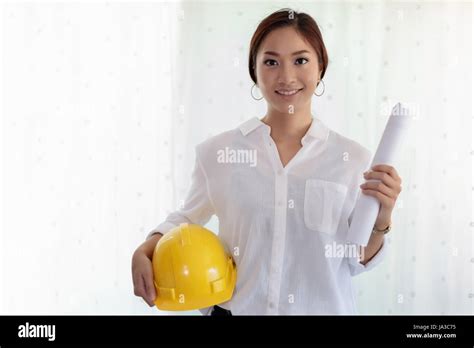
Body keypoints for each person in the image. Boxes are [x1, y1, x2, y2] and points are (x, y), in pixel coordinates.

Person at [131, 8, 402, 315]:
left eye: (300, 60)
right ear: (254, 70)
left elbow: (356, 259)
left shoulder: (354, 160)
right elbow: (185, 219)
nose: (286, 77)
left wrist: (383, 219)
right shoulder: (218, 153)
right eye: (271, 62)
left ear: (320, 66)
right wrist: (145, 249)